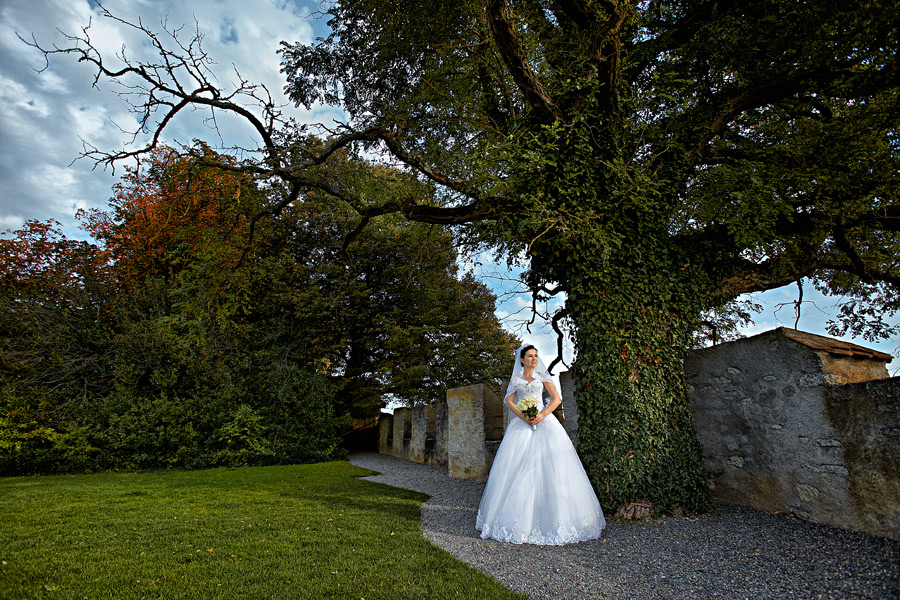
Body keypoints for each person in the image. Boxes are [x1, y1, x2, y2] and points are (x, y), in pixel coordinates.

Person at [475, 344, 606, 545]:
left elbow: (556, 399)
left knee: (553, 467)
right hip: (521, 425)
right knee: (518, 469)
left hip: (545, 422)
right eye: (530, 356)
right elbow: (509, 401)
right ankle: (517, 521)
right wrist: (523, 415)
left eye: (536, 356)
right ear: (521, 359)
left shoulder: (542, 377)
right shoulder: (515, 380)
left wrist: (542, 415)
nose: (534, 359)